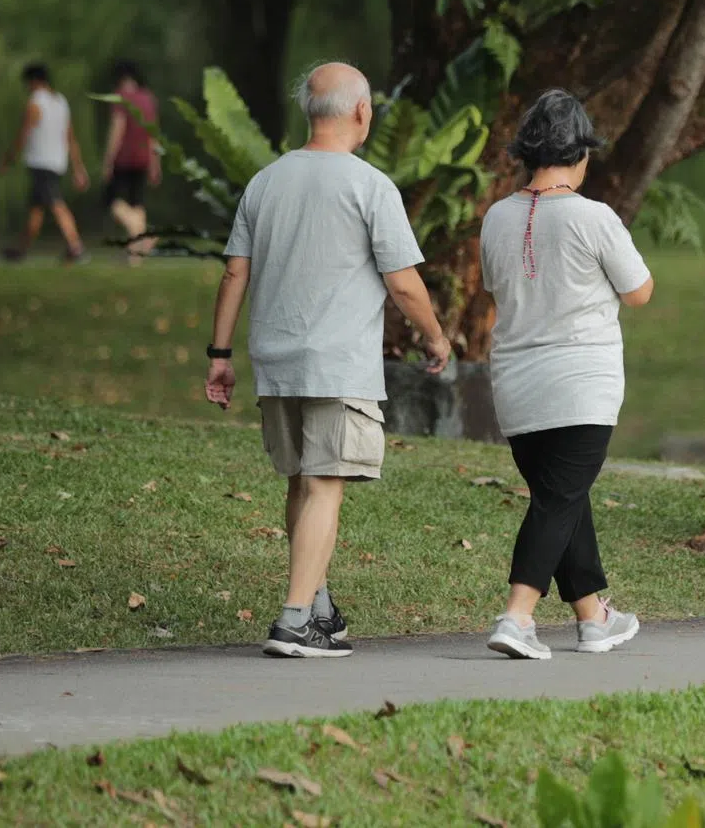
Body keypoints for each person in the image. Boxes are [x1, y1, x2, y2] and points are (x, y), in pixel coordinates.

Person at [204, 61, 452, 659]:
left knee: (301, 482)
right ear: (362, 113)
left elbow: (236, 270)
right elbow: (406, 284)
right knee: (323, 483)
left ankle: (317, 606)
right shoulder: (369, 187)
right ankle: (294, 621)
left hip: (276, 358)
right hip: (338, 363)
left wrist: (219, 353)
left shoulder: (265, 182)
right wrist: (436, 339)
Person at [480, 89, 654, 660]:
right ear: (580, 153)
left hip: (516, 387)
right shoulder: (593, 216)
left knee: (562, 497)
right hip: (581, 384)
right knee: (557, 500)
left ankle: (594, 618)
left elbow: (500, 289)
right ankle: (516, 617)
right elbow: (640, 291)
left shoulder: (496, 218)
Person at [0, 62, 90, 263]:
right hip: (58, 161)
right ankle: (20, 250)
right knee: (37, 209)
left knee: (56, 204)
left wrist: (9, 157)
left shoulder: (35, 102)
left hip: (41, 161)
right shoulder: (61, 102)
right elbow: (70, 138)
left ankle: (76, 247)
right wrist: (78, 167)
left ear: (33, 81)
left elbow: (23, 134)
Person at [102, 59, 160, 263]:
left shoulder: (120, 98)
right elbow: (153, 134)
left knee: (112, 201)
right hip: (144, 158)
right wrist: (155, 163)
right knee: (137, 203)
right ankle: (136, 256)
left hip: (124, 158)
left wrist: (108, 160)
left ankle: (144, 234)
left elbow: (117, 130)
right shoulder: (148, 98)